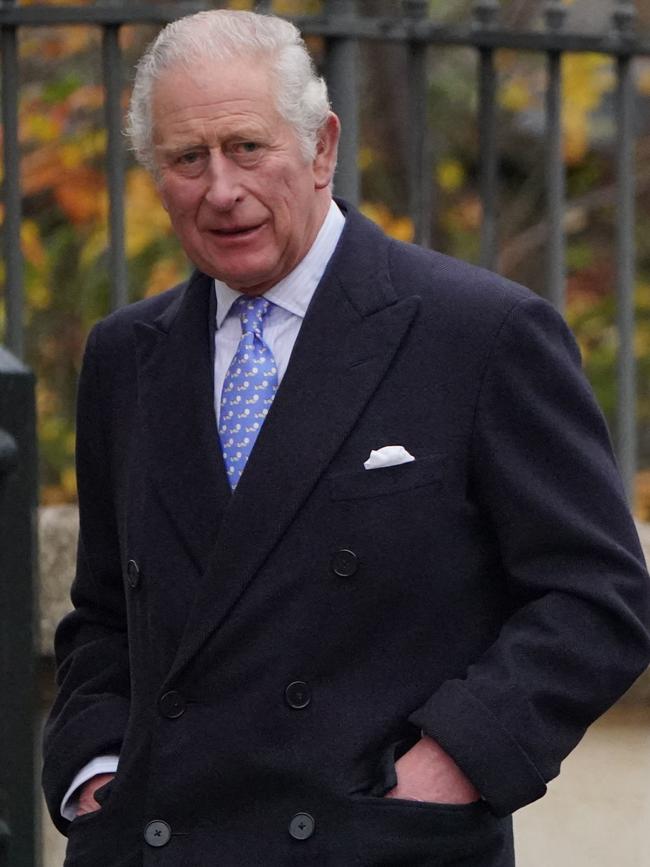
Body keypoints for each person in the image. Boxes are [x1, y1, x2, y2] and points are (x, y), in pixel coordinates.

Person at [42, 9, 650, 867]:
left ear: (322, 147)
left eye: (248, 147)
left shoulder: (479, 332)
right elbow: (105, 613)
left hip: (374, 843)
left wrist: (452, 765)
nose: (221, 189)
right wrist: (92, 769)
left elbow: (599, 598)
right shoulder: (124, 355)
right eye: (187, 159)